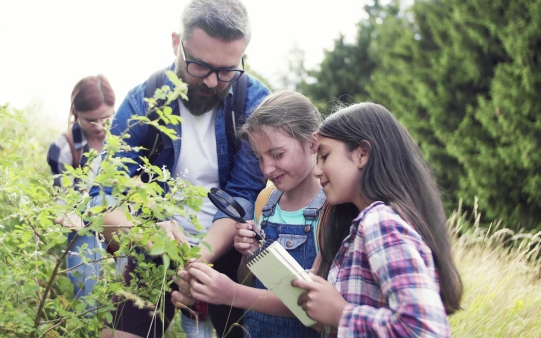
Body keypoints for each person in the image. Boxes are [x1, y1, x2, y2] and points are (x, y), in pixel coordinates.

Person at [186, 102, 463, 337]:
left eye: (325, 155)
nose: (318, 170)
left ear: (362, 154)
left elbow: (426, 330)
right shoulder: (353, 222)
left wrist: (341, 313)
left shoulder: (379, 223)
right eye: (260, 158)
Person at [88, 1, 270, 337]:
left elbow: (243, 196)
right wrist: (149, 235)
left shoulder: (255, 103)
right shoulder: (143, 101)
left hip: (230, 249)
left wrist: (196, 259)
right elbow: (102, 199)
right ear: (176, 43)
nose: (215, 82)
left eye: (228, 70)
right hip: (153, 245)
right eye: (201, 67)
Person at [171, 90, 324, 338]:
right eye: (258, 158)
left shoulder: (330, 209)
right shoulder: (265, 201)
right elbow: (248, 279)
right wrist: (250, 255)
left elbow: (315, 307)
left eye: (277, 154)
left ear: (313, 143)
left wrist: (231, 293)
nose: (267, 168)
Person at [46, 74, 116, 300]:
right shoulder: (63, 147)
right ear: (76, 115)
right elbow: (64, 198)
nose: (100, 126)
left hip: (121, 219)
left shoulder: (125, 139)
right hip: (83, 223)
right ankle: (87, 322)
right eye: (91, 120)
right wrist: (66, 213)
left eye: (106, 118)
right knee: (84, 282)